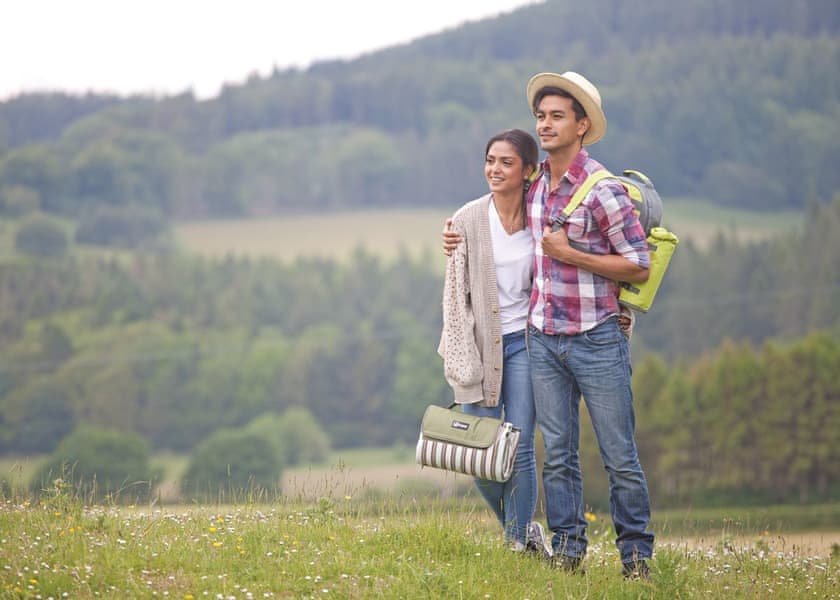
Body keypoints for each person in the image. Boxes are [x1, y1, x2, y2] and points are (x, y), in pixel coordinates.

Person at [443, 72, 655, 579]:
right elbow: (496, 205)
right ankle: (567, 552)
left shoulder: (602, 191)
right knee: (557, 456)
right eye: (541, 116)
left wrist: (571, 253)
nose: (546, 124)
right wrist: (453, 235)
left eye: (558, 116)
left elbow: (639, 265)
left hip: (596, 338)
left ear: (582, 125)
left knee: (619, 455)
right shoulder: (538, 187)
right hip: (543, 340)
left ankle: (637, 560)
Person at [438, 128, 551, 557]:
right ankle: (522, 532)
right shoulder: (467, 219)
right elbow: (454, 291)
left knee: (519, 445)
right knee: (479, 451)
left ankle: (516, 547)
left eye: (506, 162)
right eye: (490, 160)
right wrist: (459, 350)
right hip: (479, 347)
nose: (495, 170)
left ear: (528, 171)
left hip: (526, 342)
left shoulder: (541, 214)